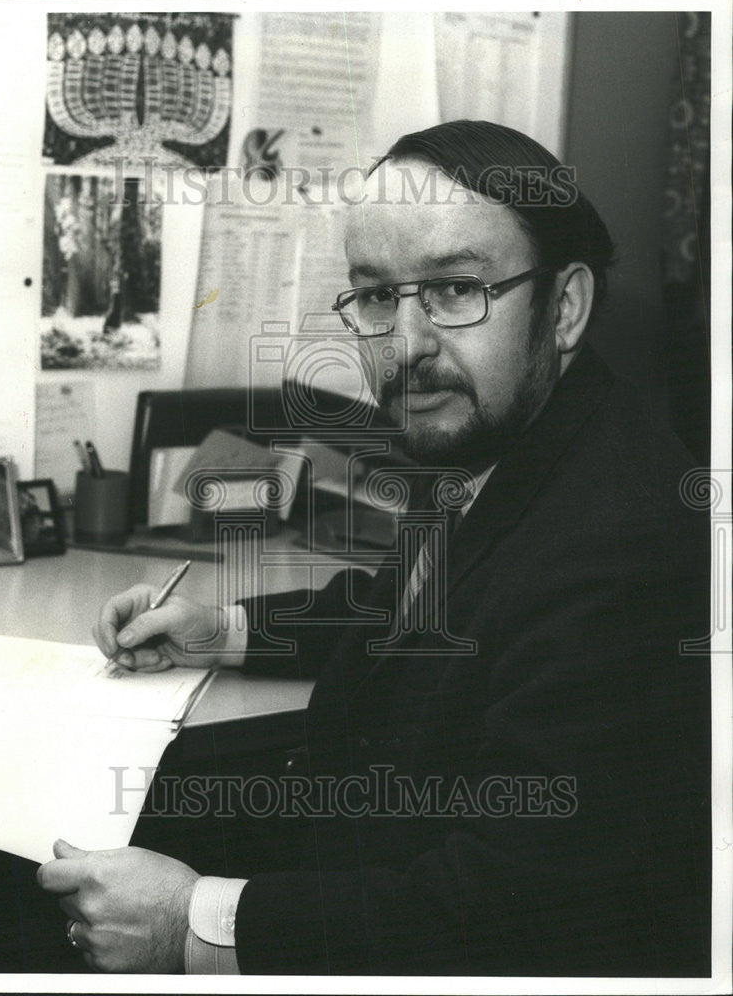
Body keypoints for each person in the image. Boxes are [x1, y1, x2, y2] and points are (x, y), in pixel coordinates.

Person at [37, 120, 711, 976]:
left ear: (565, 307)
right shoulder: (495, 430)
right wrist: (224, 628)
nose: (406, 344)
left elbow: (526, 903)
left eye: (456, 290)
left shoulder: (627, 546)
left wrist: (192, 922)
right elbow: (417, 604)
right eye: (378, 296)